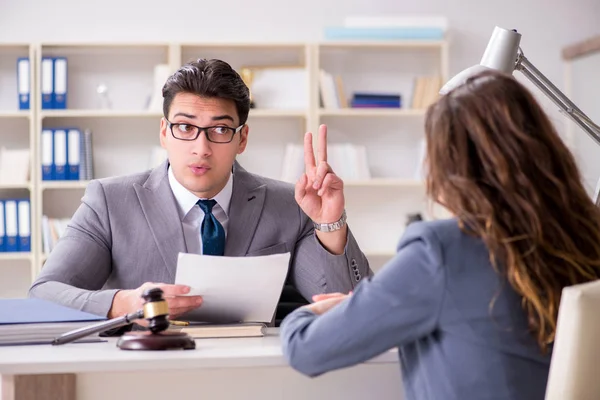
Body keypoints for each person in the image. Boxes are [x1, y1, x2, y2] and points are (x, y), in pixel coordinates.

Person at [280, 70, 600, 399]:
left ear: (449, 168)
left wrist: (312, 311)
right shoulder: (586, 236)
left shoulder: (441, 251)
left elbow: (305, 349)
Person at [29, 58, 371, 324]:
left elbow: (340, 302)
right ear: (164, 132)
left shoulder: (290, 204)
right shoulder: (109, 201)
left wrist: (331, 225)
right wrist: (123, 303)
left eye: (220, 129)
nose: (201, 147)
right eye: (185, 127)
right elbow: (44, 295)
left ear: (243, 138)